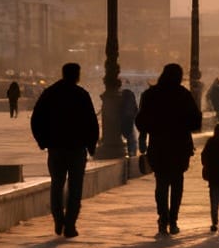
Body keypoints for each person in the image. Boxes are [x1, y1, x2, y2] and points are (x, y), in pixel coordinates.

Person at [29, 62, 99, 238]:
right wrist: (91, 145)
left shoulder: (50, 93)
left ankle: (58, 220)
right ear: (76, 75)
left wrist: (43, 141)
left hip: (56, 148)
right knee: (75, 188)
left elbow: (36, 119)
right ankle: (70, 225)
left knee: (57, 185)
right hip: (76, 149)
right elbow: (92, 122)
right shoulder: (81, 95)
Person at [135, 63, 201, 237]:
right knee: (177, 183)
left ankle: (162, 219)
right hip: (180, 146)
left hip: (159, 146)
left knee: (161, 184)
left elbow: (141, 122)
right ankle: (173, 220)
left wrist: (154, 128)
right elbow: (196, 122)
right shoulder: (184, 95)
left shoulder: (151, 95)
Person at [116, 84, 138, 163]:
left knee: (129, 135)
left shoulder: (122, 96)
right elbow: (135, 108)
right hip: (129, 117)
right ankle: (132, 152)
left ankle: (132, 152)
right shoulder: (129, 94)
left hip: (124, 118)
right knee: (131, 136)